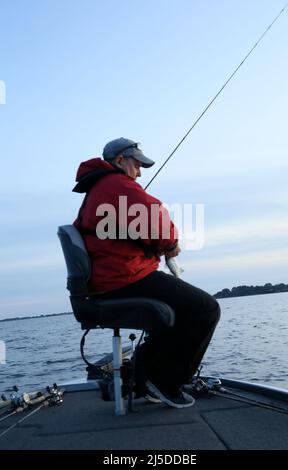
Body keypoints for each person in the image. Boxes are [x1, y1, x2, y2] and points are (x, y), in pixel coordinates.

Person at [73, 137, 220, 408]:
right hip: (123, 278)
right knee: (206, 308)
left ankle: (146, 375)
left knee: (179, 311)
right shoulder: (115, 184)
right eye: (137, 164)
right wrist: (171, 243)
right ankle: (165, 381)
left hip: (112, 276)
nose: (140, 172)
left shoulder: (99, 188)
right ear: (120, 161)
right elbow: (153, 216)